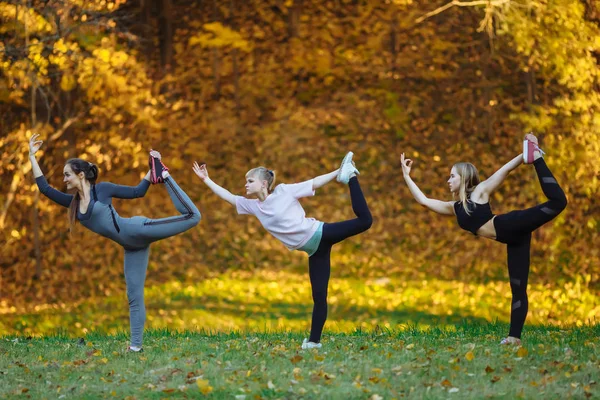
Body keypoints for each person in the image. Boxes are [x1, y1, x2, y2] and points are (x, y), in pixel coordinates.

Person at [28, 133, 201, 351]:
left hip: (139, 230)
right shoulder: (72, 203)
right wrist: (31, 157)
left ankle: (165, 176)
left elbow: (138, 192)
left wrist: (155, 172)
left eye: (67, 175)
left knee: (193, 217)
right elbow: (44, 189)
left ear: (81, 175)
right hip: (131, 247)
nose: (64, 180)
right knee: (133, 296)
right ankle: (135, 348)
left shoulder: (103, 189)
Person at [192, 152, 373, 349]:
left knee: (365, 221)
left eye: (250, 180)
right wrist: (207, 179)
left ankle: (351, 177)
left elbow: (314, 183)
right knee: (319, 296)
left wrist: (339, 172)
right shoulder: (254, 206)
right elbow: (229, 197)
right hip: (314, 250)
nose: (246, 184)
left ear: (263, 184)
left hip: (320, 233)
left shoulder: (283, 191)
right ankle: (313, 342)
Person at [401, 133, 567, 345]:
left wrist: (525, 154)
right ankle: (514, 338)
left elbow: (504, 171)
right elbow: (424, 201)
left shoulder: (479, 192)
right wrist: (407, 176)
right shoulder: (455, 208)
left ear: (464, 177)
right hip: (514, 239)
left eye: (452, 176)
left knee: (558, 202)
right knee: (518, 287)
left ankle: (537, 157)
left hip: (511, 224)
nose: (448, 180)